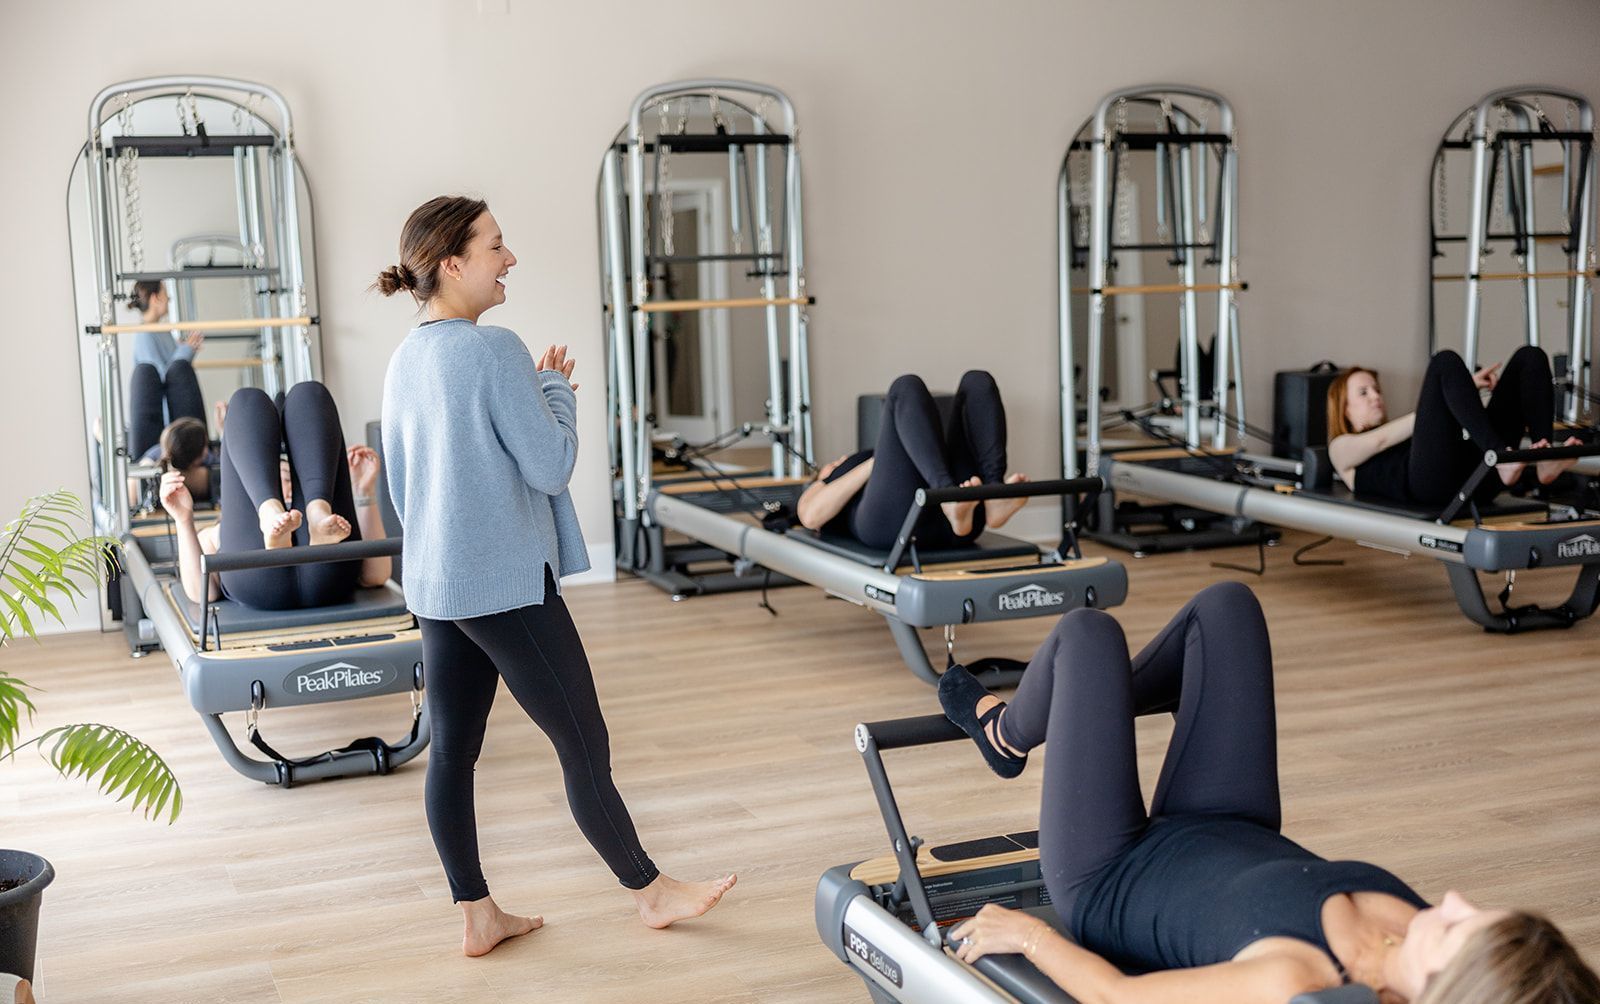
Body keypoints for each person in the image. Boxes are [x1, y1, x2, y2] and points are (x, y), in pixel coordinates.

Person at [938, 582, 1599, 1003]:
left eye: (1456, 926)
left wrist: (1028, 938)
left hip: (1111, 873)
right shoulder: (1422, 938)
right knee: (1226, 609)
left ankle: (1005, 732)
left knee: (1088, 637)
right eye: (1475, 909)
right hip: (1230, 827)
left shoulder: (1301, 982)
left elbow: (1117, 998)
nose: (1451, 899)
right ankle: (1082, 701)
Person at [376, 195, 735, 958]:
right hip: (504, 583)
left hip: (439, 584)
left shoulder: (405, 358)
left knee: (453, 751)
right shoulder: (494, 349)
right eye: (496, 246)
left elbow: (403, 488)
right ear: (452, 261)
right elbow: (551, 464)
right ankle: (650, 891)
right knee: (582, 741)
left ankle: (477, 913)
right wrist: (557, 393)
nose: (509, 259)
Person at [158, 381, 390, 608]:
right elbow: (202, 593)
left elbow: (377, 576)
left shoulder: (337, 526)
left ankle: (316, 510)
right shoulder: (219, 533)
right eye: (281, 481)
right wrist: (183, 519)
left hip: (326, 566)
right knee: (248, 401)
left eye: (289, 479)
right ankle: (270, 510)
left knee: (309, 393)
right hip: (266, 575)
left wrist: (364, 491)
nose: (286, 488)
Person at [795, 371, 1030, 550]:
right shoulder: (828, 481)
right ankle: (948, 495)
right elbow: (810, 516)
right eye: (833, 463)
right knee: (905, 386)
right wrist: (865, 465)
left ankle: (993, 494)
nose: (838, 460)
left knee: (977, 381)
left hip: (961, 518)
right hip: (892, 526)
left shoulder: (883, 459)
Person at [1326, 347, 1581, 507]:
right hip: (1432, 489)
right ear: (1344, 408)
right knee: (1444, 362)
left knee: (1531, 357)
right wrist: (1452, 391)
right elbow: (1378, 441)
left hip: (1477, 479)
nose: (1375, 396)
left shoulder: (1407, 437)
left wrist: (1457, 391)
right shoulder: (1339, 448)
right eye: (1363, 392)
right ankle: (1502, 457)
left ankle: (1546, 459)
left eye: (1376, 389)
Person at [126, 280, 206, 458]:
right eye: (165, 294)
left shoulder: (161, 330)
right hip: (164, 416)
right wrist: (186, 350)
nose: (169, 299)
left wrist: (185, 349)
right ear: (155, 298)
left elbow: (173, 367)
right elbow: (164, 375)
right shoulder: (145, 334)